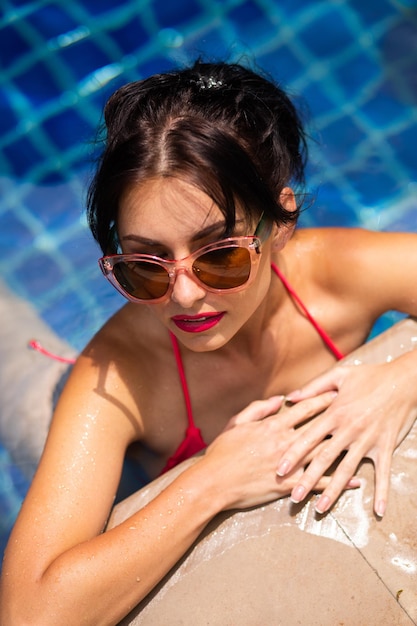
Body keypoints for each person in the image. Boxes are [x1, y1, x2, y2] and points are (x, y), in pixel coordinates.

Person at [1, 59, 417, 625]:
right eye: (145, 267)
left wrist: (399, 380)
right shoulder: (122, 368)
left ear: (282, 221)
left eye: (219, 256)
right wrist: (210, 481)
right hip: (70, 414)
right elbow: (31, 616)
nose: (185, 296)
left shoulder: (337, 273)